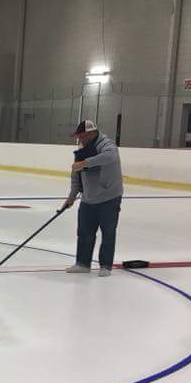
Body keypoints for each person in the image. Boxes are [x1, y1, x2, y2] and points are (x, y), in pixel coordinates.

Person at [62, 119, 124, 277]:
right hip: (88, 199)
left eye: (82, 136)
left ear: (92, 133)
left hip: (109, 198)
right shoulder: (82, 150)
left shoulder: (107, 145)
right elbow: (76, 176)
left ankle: (105, 266)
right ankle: (82, 263)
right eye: (78, 136)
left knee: (108, 232)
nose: (80, 139)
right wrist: (70, 198)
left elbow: (110, 157)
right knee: (84, 232)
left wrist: (85, 163)